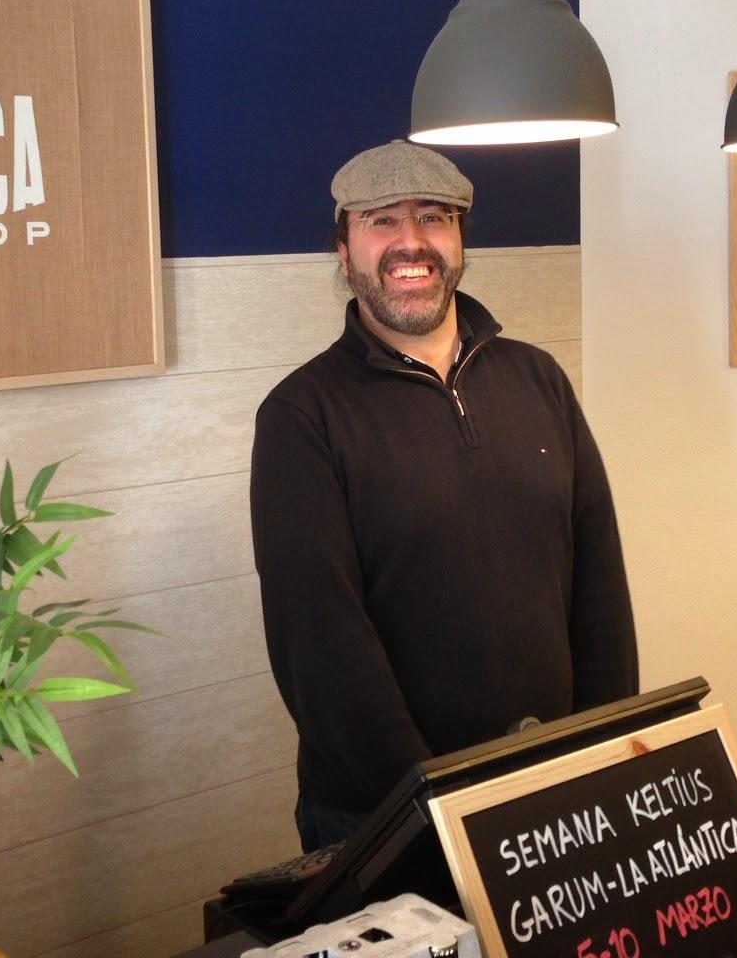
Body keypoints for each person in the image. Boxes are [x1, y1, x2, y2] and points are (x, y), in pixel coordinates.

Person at [249, 139, 638, 852]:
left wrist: (602, 755)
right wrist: (429, 804)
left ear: (459, 240)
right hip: (387, 820)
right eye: (381, 221)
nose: (412, 243)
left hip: (550, 789)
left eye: (434, 217)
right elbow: (320, 649)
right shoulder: (302, 417)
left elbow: (599, 592)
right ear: (345, 251)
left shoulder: (538, 378)